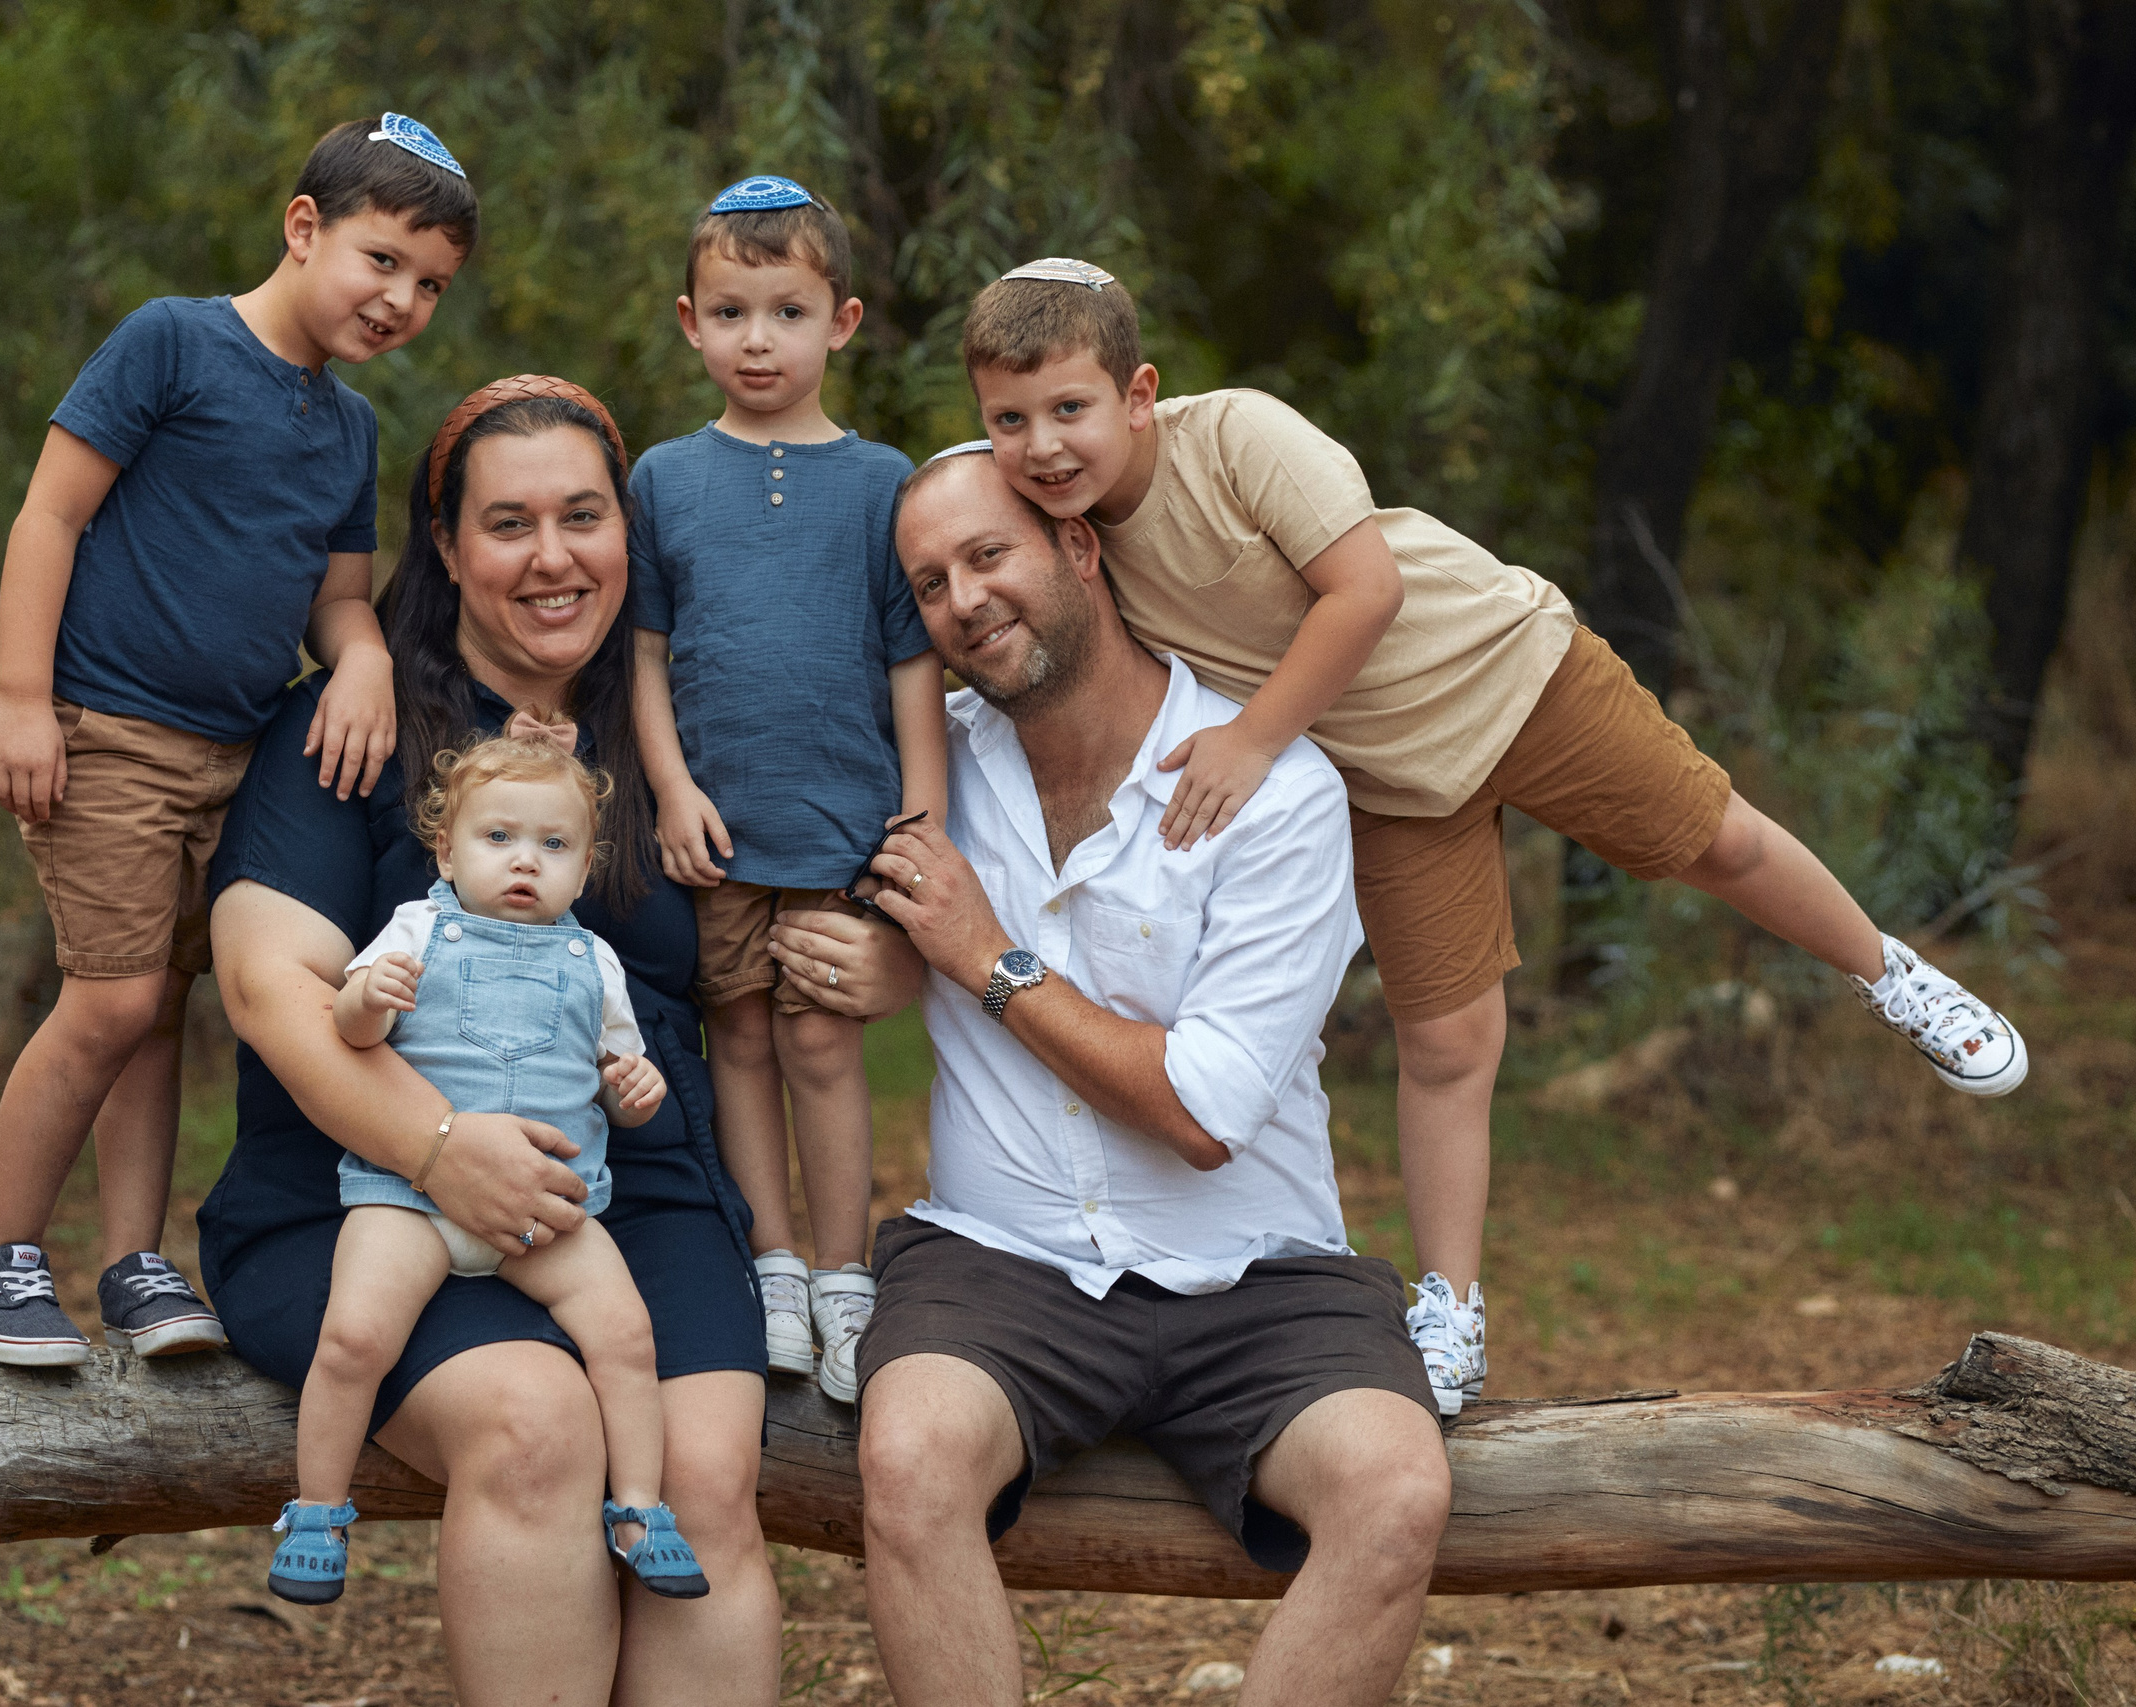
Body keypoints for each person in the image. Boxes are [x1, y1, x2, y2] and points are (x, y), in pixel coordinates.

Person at [958, 256, 2029, 1413]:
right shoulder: (1063, 536)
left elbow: (1364, 589)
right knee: (1447, 1044)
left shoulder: (1237, 438)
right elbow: (947, 547)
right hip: (1390, 781)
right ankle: (1451, 1311)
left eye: (1068, 409)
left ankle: (1891, 975)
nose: (1042, 446)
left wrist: (1254, 740)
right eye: (1009, 421)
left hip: (1505, 676)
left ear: (1137, 393)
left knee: (1716, 842)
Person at [197, 375, 923, 1705]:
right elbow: (265, 986)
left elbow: (806, 897)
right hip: (361, 1192)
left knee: (701, 1475)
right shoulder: (355, 724)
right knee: (535, 1424)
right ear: (447, 546)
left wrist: (889, 955)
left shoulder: (671, 730)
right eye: (509, 523)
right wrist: (438, 1146)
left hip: (628, 1185)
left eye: (584, 517)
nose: (553, 557)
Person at [853, 443, 1451, 1707]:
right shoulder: (926, 773)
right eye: (928, 584)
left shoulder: (1276, 790)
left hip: (1258, 1272)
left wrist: (986, 960)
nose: (962, 601)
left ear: (1078, 547)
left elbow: (1201, 1110)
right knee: (907, 1458)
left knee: (1394, 1490)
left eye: (987, 555)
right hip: (998, 1258)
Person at [0, 115, 475, 1366]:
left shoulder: (348, 430)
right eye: (383, 260)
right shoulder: (172, 344)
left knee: (160, 1005)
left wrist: (362, 658)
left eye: (430, 285)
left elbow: (337, 600)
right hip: (108, 731)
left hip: (233, 758)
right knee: (114, 996)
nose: (401, 300)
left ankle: (135, 1261)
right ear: (303, 228)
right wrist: (20, 696)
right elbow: (49, 514)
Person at [628, 175, 945, 1401]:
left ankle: (843, 1277)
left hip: (838, 831)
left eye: (787, 312)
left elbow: (911, 667)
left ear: (842, 322)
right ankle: (769, 1267)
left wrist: (919, 818)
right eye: (730, 313)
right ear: (689, 323)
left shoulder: (882, 483)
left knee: (820, 1039)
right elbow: (646, 657)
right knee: (743, 1037)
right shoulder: (663, 479)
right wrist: (668, 788)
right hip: (716, 832)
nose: (757, 340)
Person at [269, 724, 704, 1605]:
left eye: (554, 845)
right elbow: (351, 1033)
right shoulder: (418, 928)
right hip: (411, 1197)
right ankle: (317, 1510)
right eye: (498, 836)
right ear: (447, 850)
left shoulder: (595, 963)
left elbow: (617, 1084)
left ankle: (640, 1508)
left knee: (625, 1335)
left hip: (548, 1208)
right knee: (354, 1336)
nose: (524, 860)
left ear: (583, 870)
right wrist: (366, 999)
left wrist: (636, 1088)